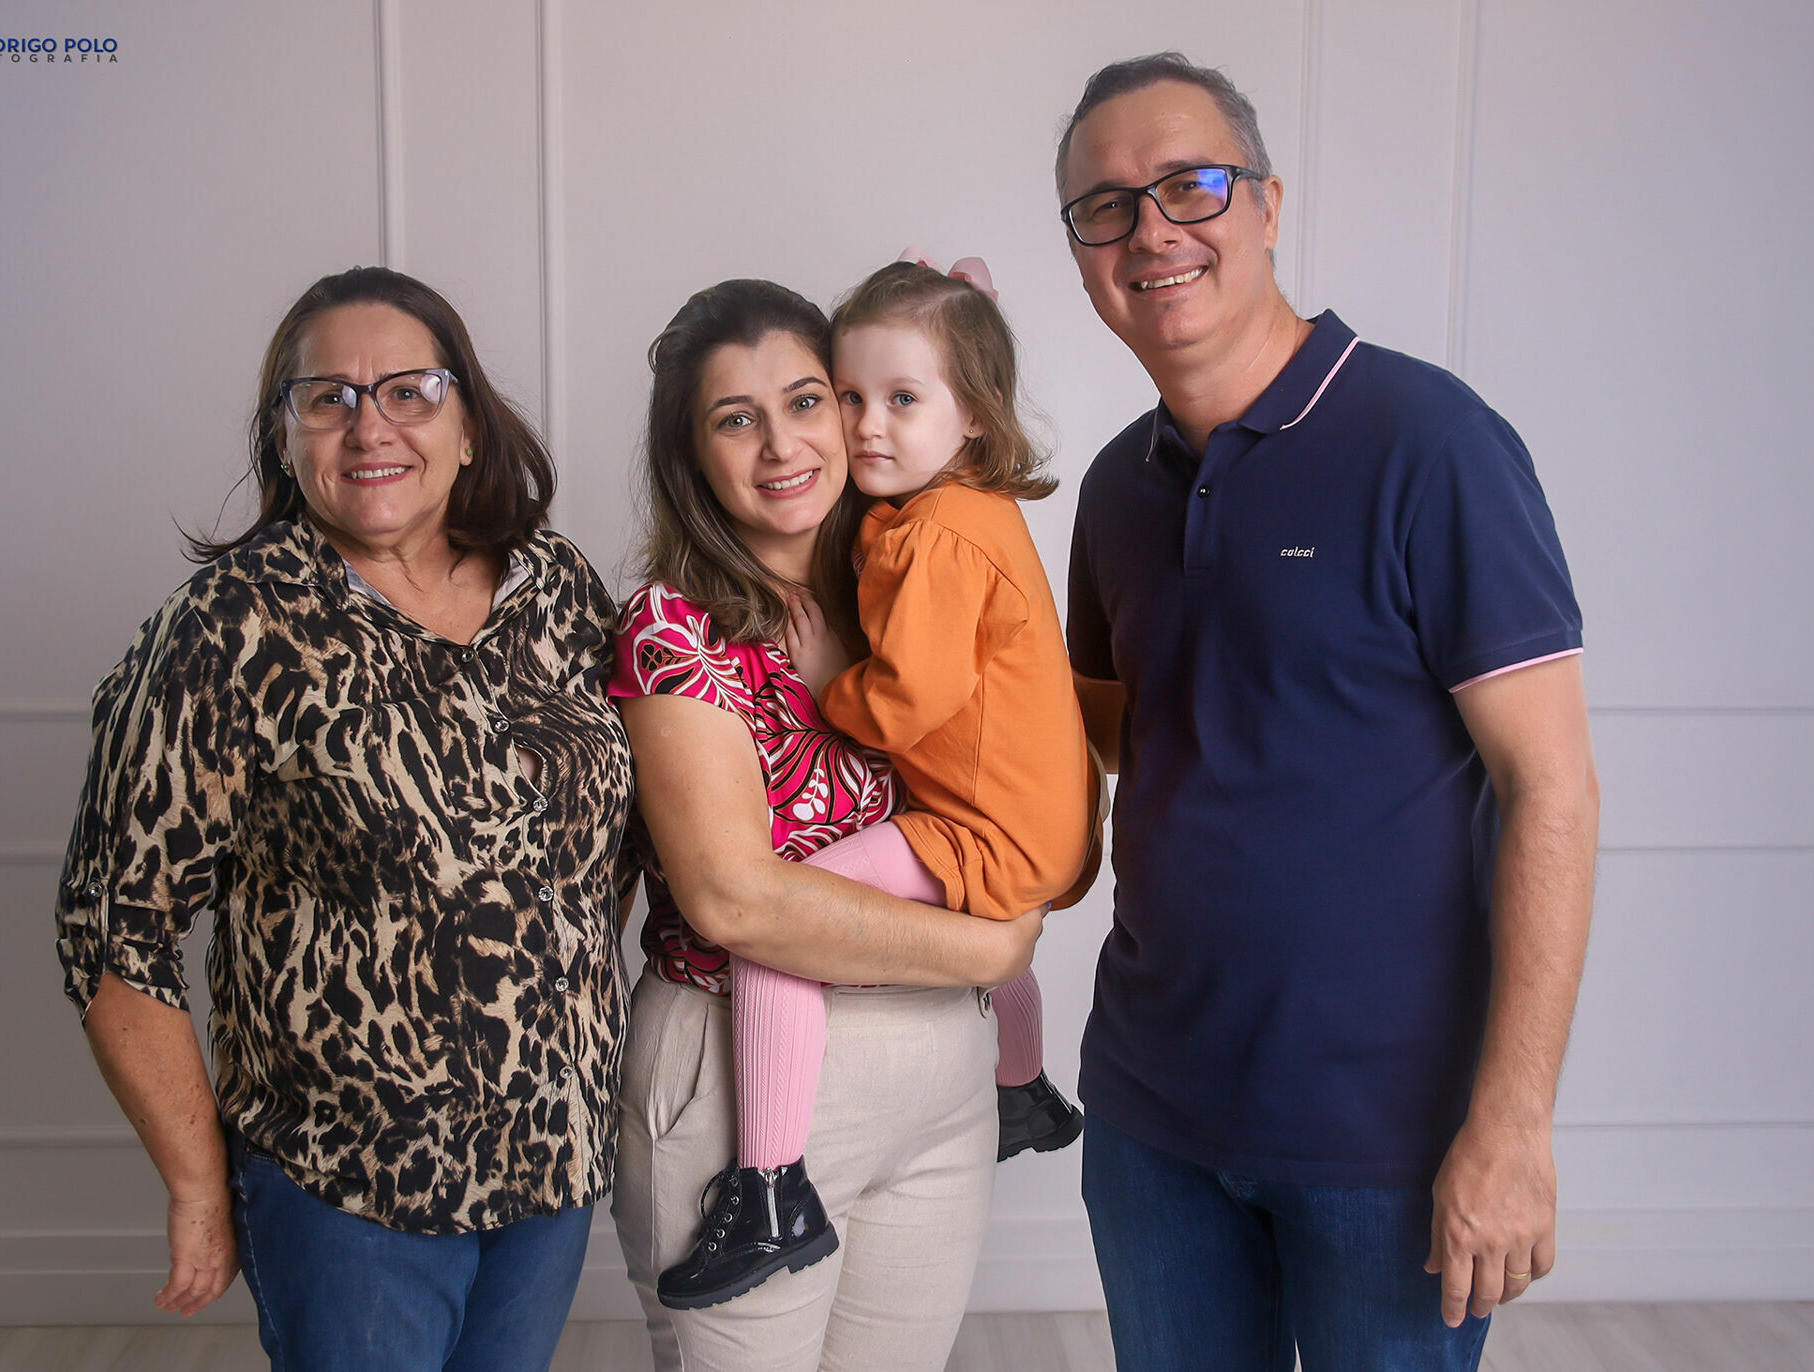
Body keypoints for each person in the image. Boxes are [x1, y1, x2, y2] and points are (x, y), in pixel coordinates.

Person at [1056, 53, 1602, 1370]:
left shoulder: (1431, 442)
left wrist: (1515, 1125)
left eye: (1190, 184)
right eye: (1106, 206)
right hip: (1152, 1121)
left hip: (1387, 1141)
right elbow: (1119, 741)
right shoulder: (1117, 488)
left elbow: (1552, 790)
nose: (1151, 231)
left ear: (1267, 202)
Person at [53, 266, 635, 1372]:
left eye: (409, 391)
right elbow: (112, 926)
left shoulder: (555, 586)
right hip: (349, 1186)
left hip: (553, 1162)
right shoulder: (228, 629)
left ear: (469, 424)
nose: (371, 426)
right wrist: (198, 1185)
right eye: (328, 398)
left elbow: (608, 833)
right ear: (285, 440)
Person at [610, 278, 1043, 1371]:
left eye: (807, 402)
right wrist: (992, 946)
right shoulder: (674, 625)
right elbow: (735, 899)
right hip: (743, 1078)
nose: (781, 446)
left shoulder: (905, 575)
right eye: (735, 419)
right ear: (691, 455)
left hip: (939, 1074)